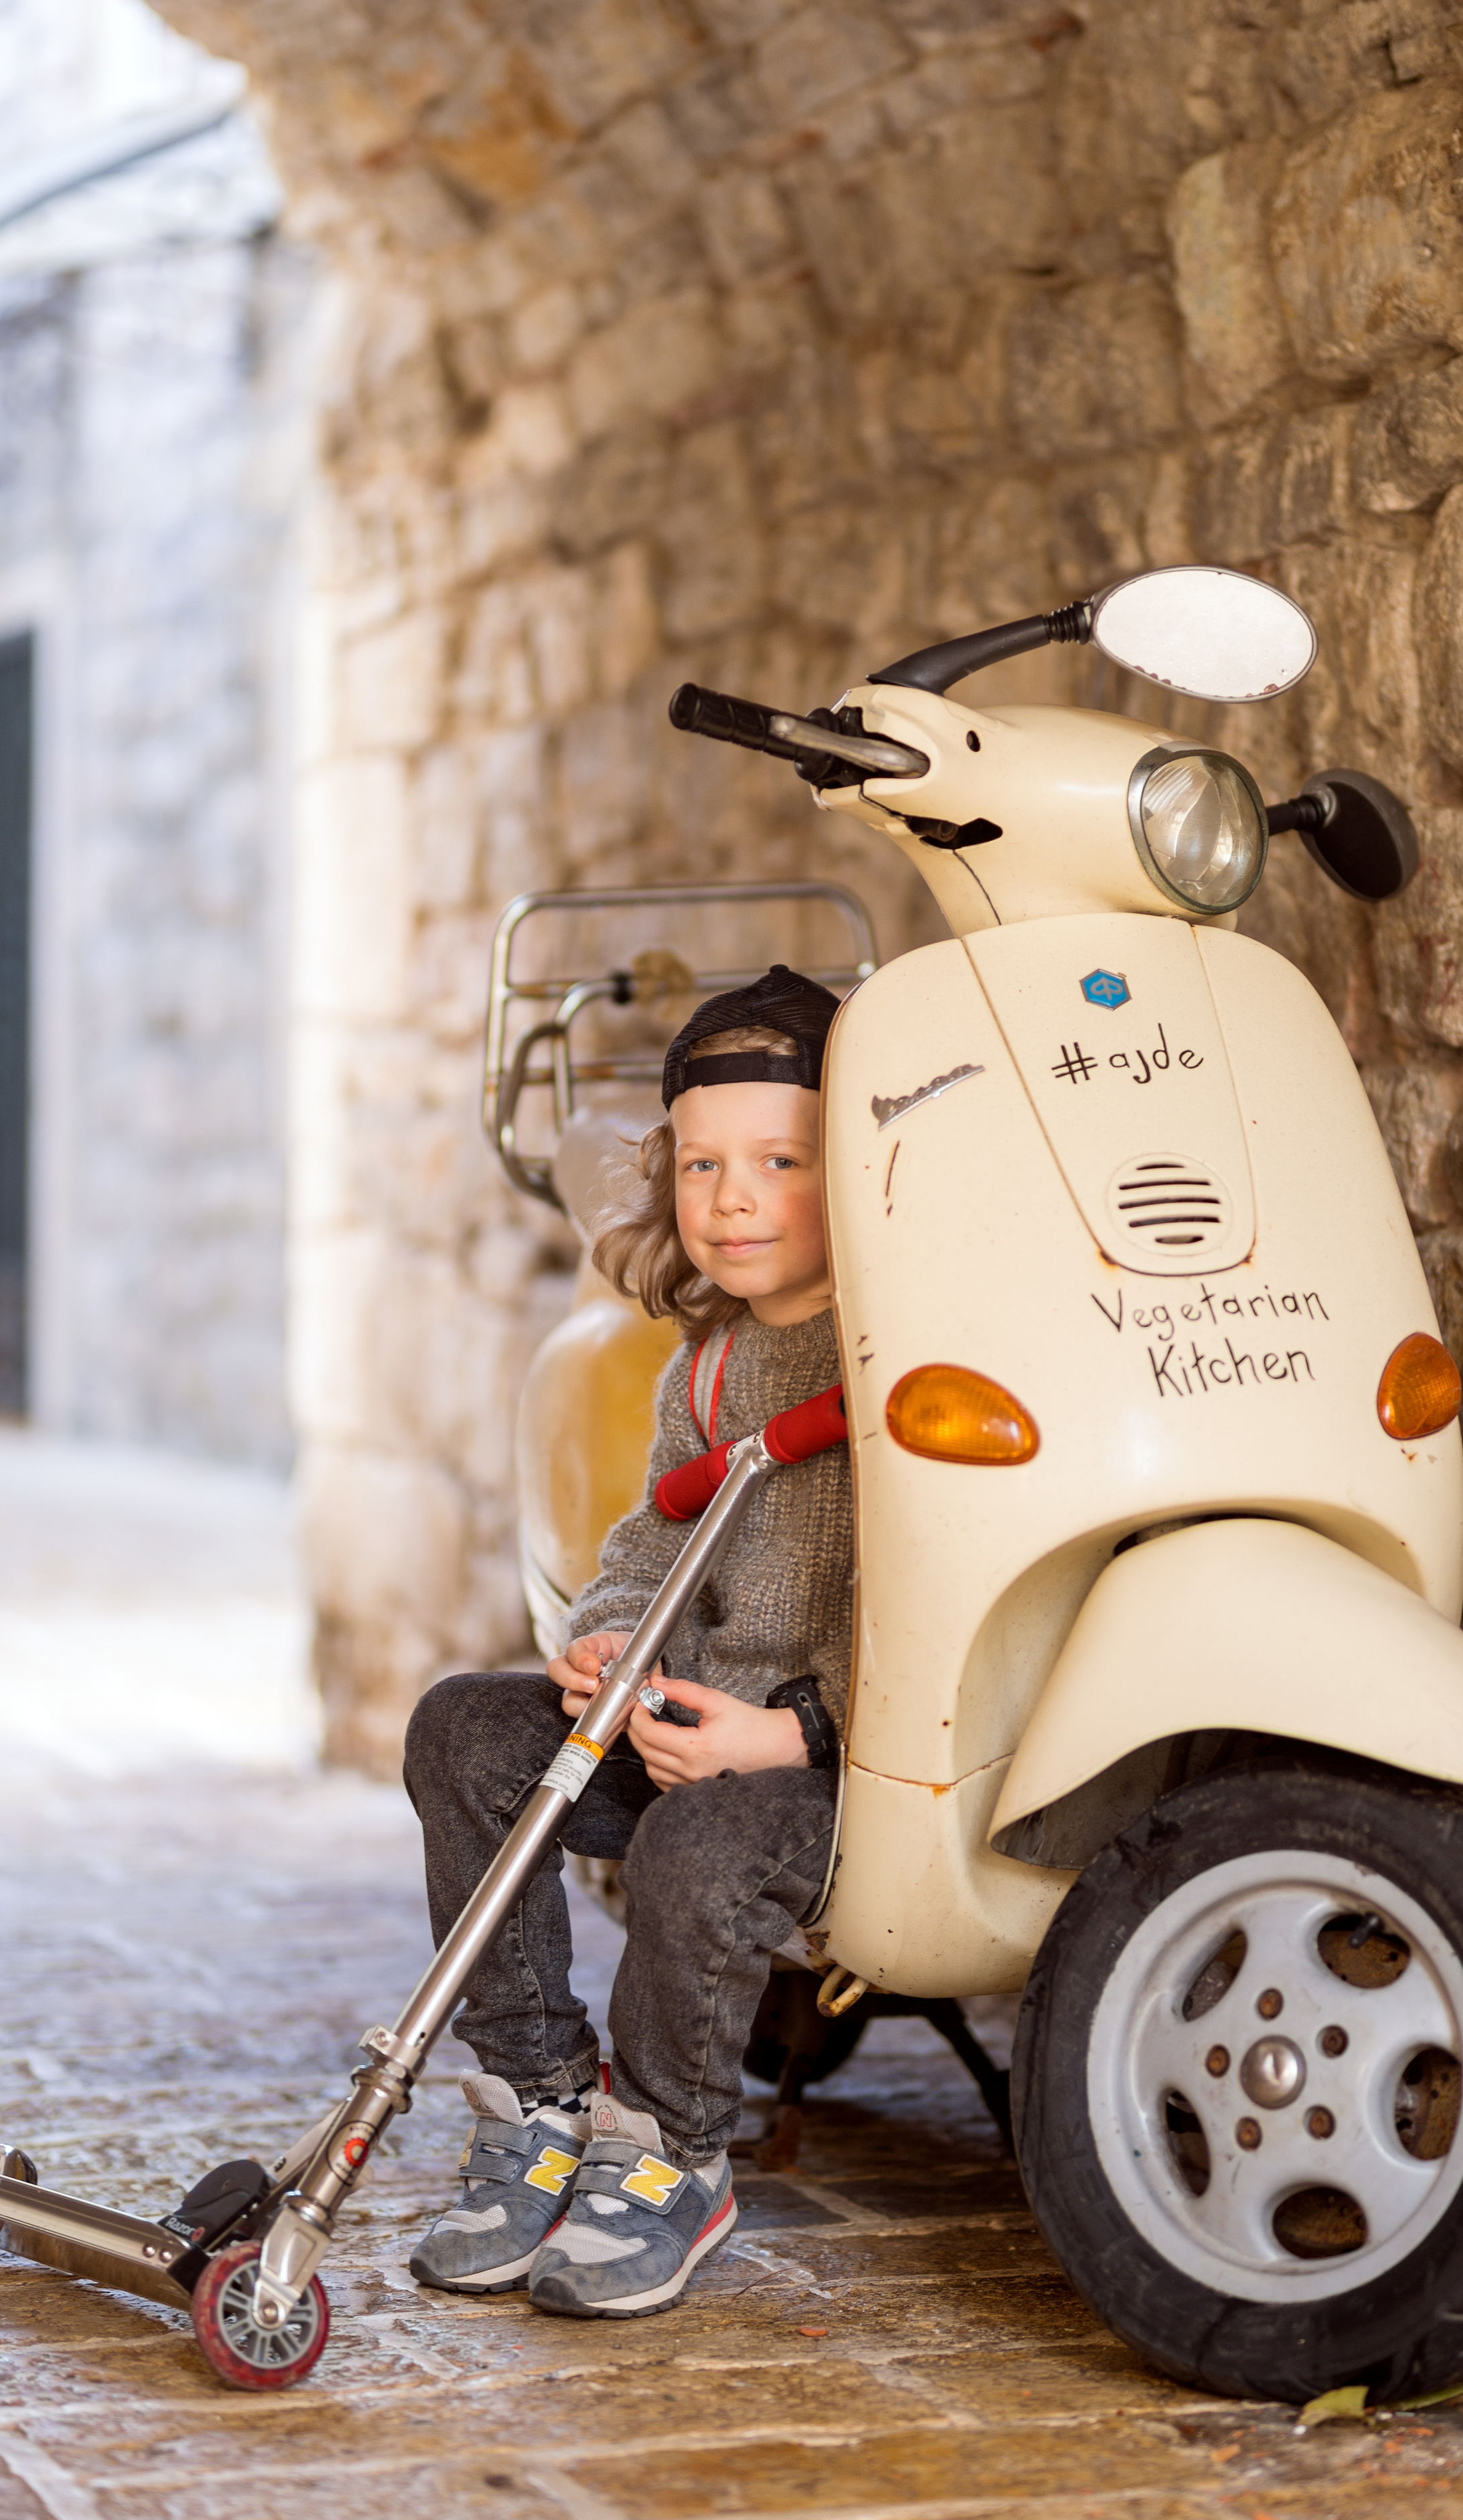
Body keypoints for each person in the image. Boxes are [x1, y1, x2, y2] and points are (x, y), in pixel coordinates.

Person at [403, 964, 852, 2319]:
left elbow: (953, 1616)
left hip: (836, 1765)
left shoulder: (900, 1367)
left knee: (698, 1842)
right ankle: (539, 2099)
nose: (730, 1198)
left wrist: (788, 1733)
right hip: (679, 1719)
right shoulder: (702, 1368)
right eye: (703, 1165)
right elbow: (651, 1547)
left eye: (779, 1161)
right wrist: (604, 1644)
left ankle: (666, 2153)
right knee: (466, 1733)